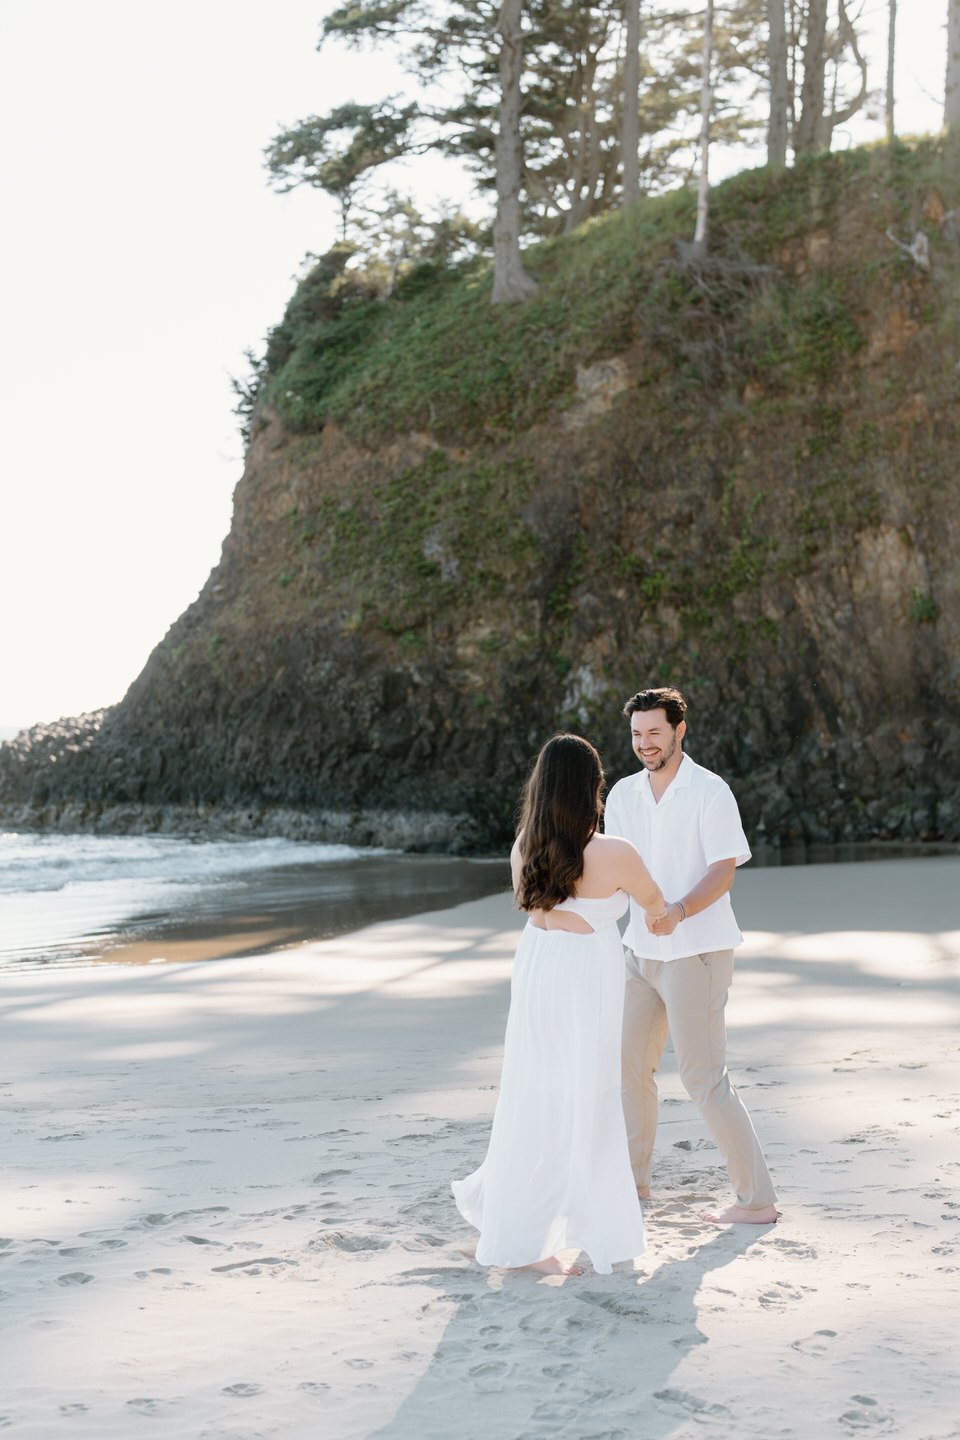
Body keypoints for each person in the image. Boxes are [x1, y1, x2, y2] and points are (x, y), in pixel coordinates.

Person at [452, 733, 667, 1275]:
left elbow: (533, 907)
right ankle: (595, 1230)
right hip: (587, 973)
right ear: (592, 787)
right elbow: (656, 905)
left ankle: (524, 1230)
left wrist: (558, 917)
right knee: (590, 1093)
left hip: (538, 967)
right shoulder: (615, 853)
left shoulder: (525, 841)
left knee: (534, 1088)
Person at [603, 687, 778, 1226]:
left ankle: (757, 1201)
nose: (644, 743)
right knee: (629, 1069)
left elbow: (723, 870)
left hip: (696, 952)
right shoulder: (624, 796)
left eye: (654, 732)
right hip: (638, 952)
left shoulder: (710, 791)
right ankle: (633, 1184)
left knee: (703, 1078)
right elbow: (615, 872)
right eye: (637, 734)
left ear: (680, 730)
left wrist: (677, 910)